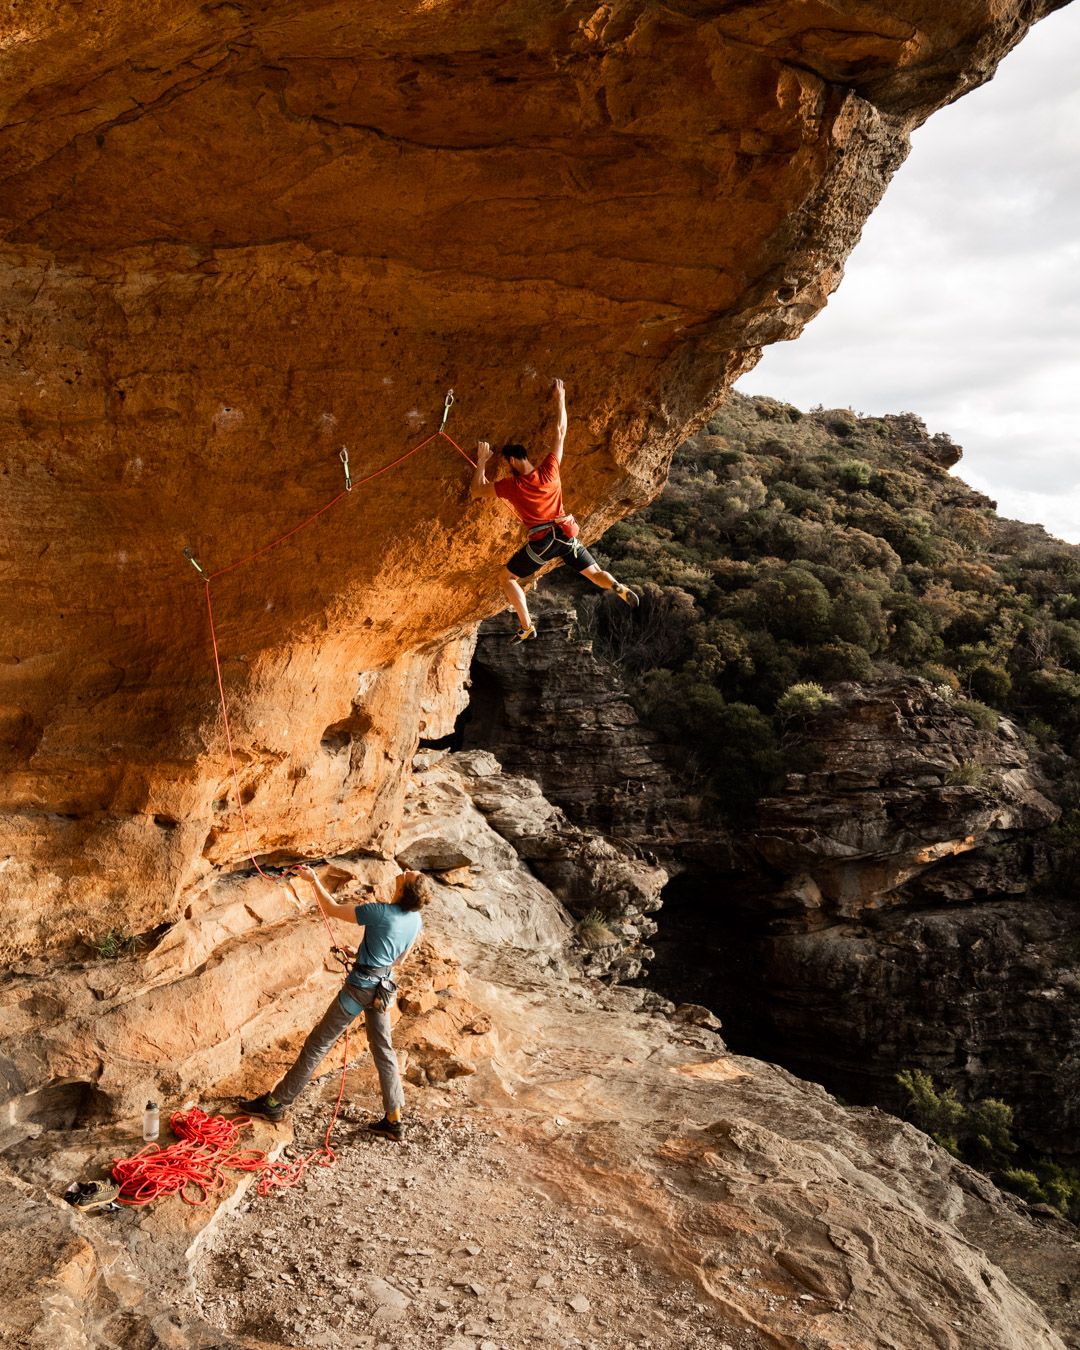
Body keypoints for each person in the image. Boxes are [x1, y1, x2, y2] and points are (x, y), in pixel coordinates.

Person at [239, 866, 431, 1141]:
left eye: (410, 874)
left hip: (358, 990)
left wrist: (313, 880)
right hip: (382, 991)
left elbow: (331, 908)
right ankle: (394, 1119)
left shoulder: (379, 912)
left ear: (402, 890)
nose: (409, 869)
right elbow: (397, 960)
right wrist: (363, 954)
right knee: (384, 1050)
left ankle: (275, 1103)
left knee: (318, 1044)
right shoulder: (415, 919)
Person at [470, 377, 640, 643]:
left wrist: (481, 461)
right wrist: (561, 398)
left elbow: (477, 490)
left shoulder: (513, 485)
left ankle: (526, 625)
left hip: (544, 542)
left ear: (512, 461)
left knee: (507, 578)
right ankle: (616, 585)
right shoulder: (550, 470)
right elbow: (560, 432)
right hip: (566, 535)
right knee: (595, 574)